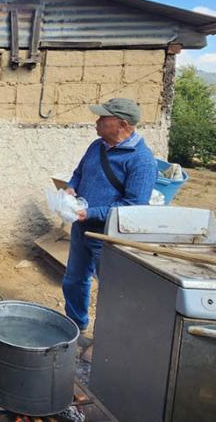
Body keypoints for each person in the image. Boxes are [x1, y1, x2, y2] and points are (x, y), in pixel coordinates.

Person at [62, 98, 156, 332]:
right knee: (74, 279)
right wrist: (71, 187)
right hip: (82, 227)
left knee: (112, 289)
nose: (97, 121)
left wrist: (90, 212)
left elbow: (133, 206)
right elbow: (78, 173)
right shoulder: (97, 146)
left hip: (108, 236)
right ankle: (76, 325)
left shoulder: (142, 161)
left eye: (103, 118)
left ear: (122, 124)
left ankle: (105, 339)